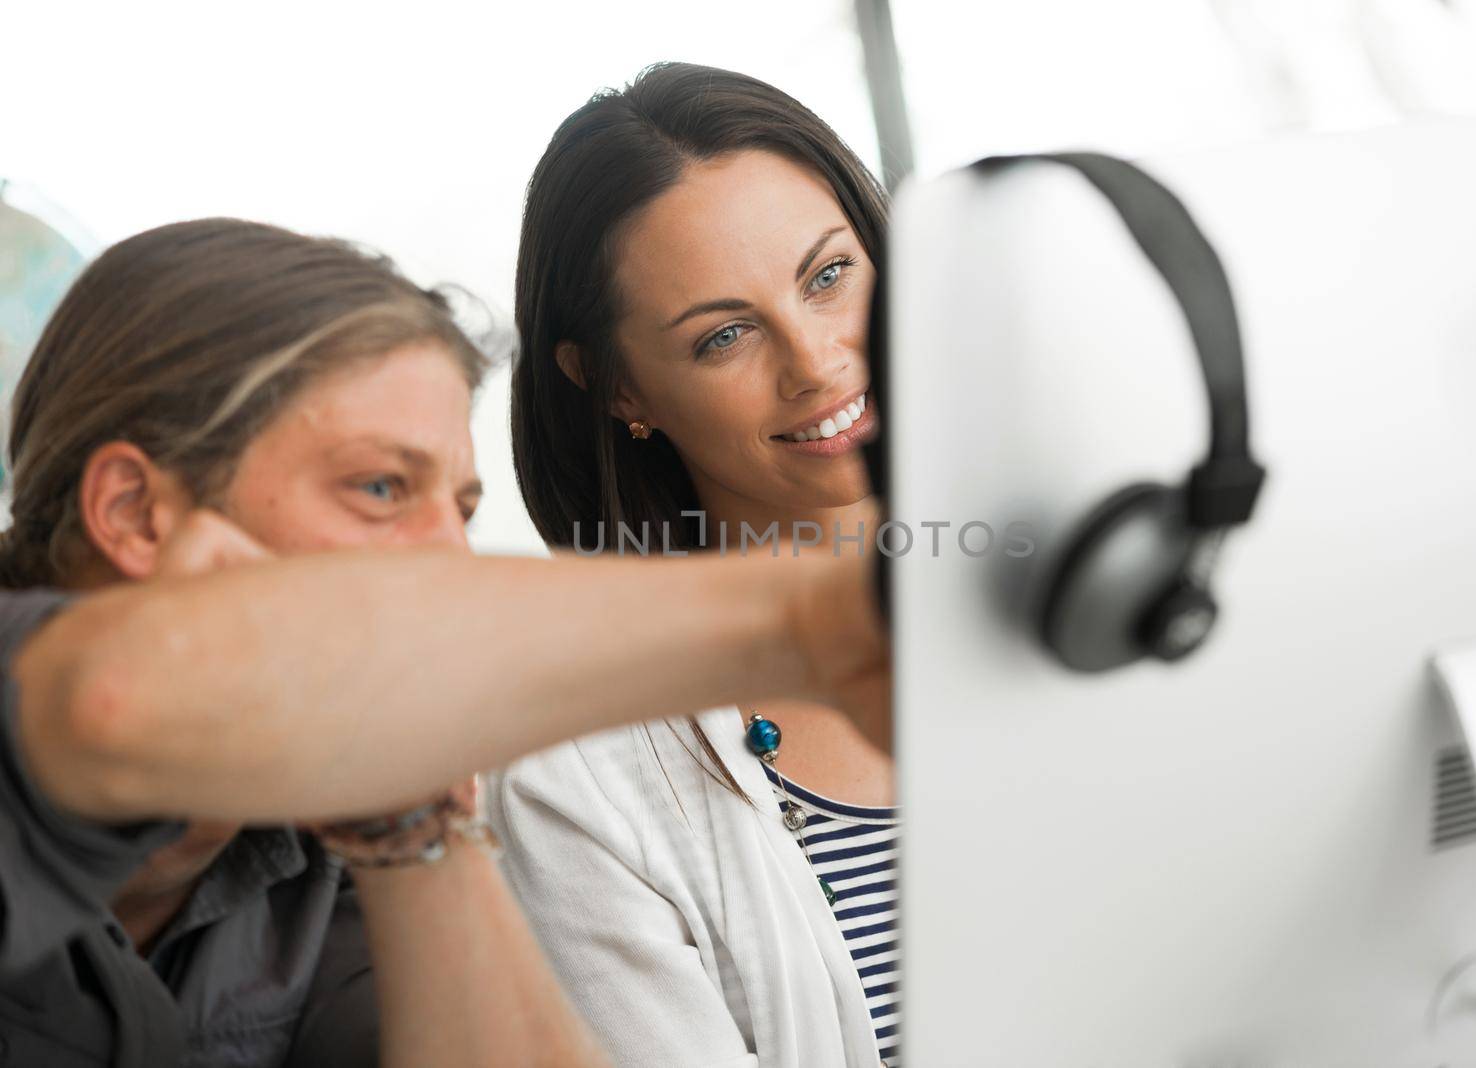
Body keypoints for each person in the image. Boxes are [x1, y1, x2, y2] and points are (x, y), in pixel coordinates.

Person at [0, 217, 886, 1068]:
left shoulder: (314, 846)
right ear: (134, 513)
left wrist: (407, 813)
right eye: (381, 488)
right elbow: (109, 697)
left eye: (459, 510)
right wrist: (813, 619)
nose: (449, 560)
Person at [490, 63, 897, 1068]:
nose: (815, 362)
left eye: (829, 276)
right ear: (618, 385)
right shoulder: (573, 770)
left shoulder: (1124, 585)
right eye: (723, 335)